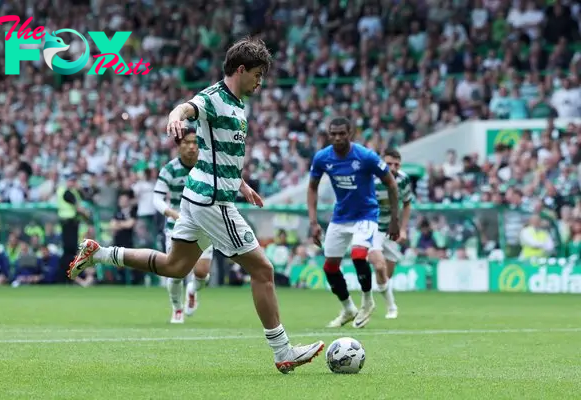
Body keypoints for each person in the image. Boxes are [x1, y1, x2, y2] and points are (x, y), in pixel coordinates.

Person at [67, 37, 324, 374]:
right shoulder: (214, 98)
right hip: (213, 203)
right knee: (263, 270)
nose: (260, 81)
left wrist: (241, 183)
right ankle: (282, 351)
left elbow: (220, 153)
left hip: (197, 196)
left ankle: (99, 253)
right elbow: (187, 107)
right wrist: (176, 116)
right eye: (258, 74)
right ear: (241, 69)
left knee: (175, 267)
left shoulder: (237, 103)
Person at [307, 117, 400, 329]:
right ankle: (348, 308)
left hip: (366, 214)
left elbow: (391, 184)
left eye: (342, 133)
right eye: (334, 134)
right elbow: (312, 187)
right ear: (329, 135)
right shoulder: (322, 158)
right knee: (330, 267)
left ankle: (367, 301)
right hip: (340, 217)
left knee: (359, 254)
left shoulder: (365, 156)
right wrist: (313, 222)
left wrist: (394, 219)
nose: (338, 138)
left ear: (351, 133)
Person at [152, 126, 213, 324]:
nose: (191, 147)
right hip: (176, 225)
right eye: (186, 142)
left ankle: (193, 290)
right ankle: (177, 308)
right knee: (175, 272)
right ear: (179, 146)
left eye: (195, 142)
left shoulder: (207, 166)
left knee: (202, 272)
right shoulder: (170, 169)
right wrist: (171, 213)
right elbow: (157, 198)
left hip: (203, 224)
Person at [368, 148, 413, 320]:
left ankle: (389, 305)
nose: (393, 167)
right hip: (372, 228)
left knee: (386, 275)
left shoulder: (403, 179)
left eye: (396, 164)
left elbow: (407, 204)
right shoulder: (371, 178)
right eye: (389, 164)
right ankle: (380, 305)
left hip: (391, 231)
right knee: (379, 266)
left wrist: (402, 229)